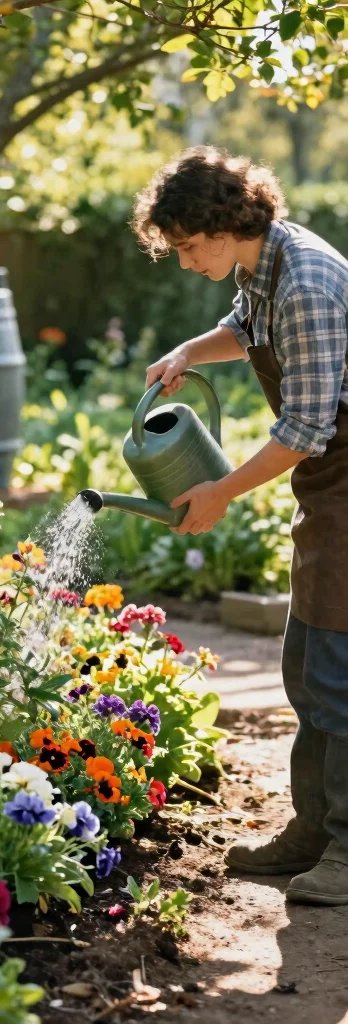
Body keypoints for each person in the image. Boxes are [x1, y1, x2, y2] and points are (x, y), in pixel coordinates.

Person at [133, 146, 348, 906]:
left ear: (227, 228)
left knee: (339, 669)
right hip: (331, 485)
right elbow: (245, 327)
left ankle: (346, 850)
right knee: (308, 660)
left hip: (341, 473)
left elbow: (305, 430)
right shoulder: (264, 268)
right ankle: (313, 830)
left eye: (190, 246)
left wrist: (220, 492)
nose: (186, 261)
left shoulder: (309, 283)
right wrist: (190, 351)